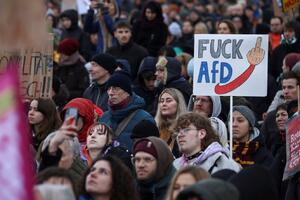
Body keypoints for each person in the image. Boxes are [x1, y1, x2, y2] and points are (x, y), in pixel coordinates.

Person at [99, 71, 155, 150]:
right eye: (109, 89)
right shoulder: (104, 117)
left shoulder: (145, 119)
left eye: (116, 89)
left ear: (127, 92)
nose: (110, 93)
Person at [173, 112, 240, 173]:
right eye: (178, 131)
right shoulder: (174, 165)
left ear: (201, 134)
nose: (180, 135)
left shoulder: (221, 163)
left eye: (186, 129)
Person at [155, 88, 187, 157]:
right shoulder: (156, 128)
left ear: (179, 104)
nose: (164, 104)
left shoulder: (186, 129)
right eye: (161, 101)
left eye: (168, 101)